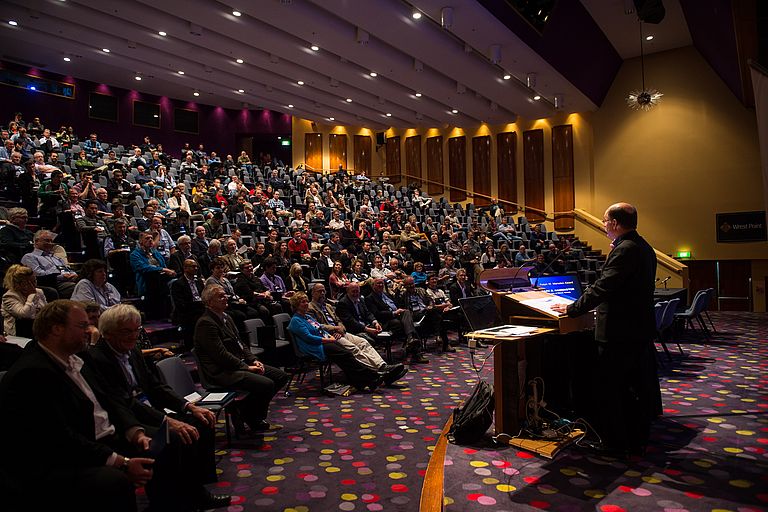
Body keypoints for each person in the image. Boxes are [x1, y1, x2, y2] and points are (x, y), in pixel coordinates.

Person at [552, 203, 661, 456]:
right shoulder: (642, 246)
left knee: (613, 388)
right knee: (632, 386)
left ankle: (616, 443)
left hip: (620, 332)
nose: (603, 225)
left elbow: (604, 287)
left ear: (614, 223)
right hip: (636, 329)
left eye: (604, 221)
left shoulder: (625, 249)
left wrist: (571, 309)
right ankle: (634, 439)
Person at [194, 284, 288, 436]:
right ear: (209, 302)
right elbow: (220, 355)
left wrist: (253, 360)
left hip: (237, 365)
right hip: (221, 372)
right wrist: (246, 367)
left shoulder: (226, 317)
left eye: (225, 294)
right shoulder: (206, 323)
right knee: (267, 384)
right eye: (220, 296)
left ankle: (243, 409)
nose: (225, 298)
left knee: (280, 376)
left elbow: (241, 343)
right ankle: (254, 419)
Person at [307, 283, 407, 385]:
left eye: (324, 291)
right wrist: (335, 329)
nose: (322, 293)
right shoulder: (310, 308)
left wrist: (340, 328)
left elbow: (339, 320)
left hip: (341, 332)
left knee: (363, 343)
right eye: (319, 291)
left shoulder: (328, 306)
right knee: (353, 348)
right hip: (329, 336)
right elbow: (317, 326)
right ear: (313, 293)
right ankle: (380, 371)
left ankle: (382, 366)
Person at [287, 292, 383, 391]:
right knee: (346, 354)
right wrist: (328, 339)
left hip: (325, 341)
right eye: (303, 302)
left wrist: (330, 336)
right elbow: (309, 338)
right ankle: (371, 377)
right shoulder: (296, 320)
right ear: (296, 305)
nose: (306, 303)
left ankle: (362, 381)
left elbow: (321, 329)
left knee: (346, 355)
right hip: (315, 346)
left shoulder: (308, 317)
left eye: (307, 301)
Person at [366, 278, 428, 364]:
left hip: (397, 316)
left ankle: (410, 340)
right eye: (378, 283)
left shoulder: (386, 294)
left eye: (382, 283)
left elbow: (397, 303)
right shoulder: (370, 298)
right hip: (386, 320)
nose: (381, 285)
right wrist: (393, 313)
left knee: (406, 312)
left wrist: (399, 310)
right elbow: (377, 314)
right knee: (407, 325)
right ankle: (414, 348)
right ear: (373, 286)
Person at [21, 230, 78, 299]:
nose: (50, 243)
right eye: (47, 241)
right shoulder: (30, 257)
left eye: (51, 241)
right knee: (79, 287)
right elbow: (37, 274)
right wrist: (60, 276)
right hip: (52, 283)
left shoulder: (56, 257)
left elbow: (66, 268)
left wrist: (73, 274)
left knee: (85, 282)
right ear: (36, 241)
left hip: (67, 280)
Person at [2, 264, 47, 337]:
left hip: (38, 329)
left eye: (34, 281)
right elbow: (24, 315)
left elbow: (46, 312)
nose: (33, 286)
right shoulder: (9, 296)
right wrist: (31, 296)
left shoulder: (39, 292)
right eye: (26, 283)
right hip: (19, 334)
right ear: (17, 284)